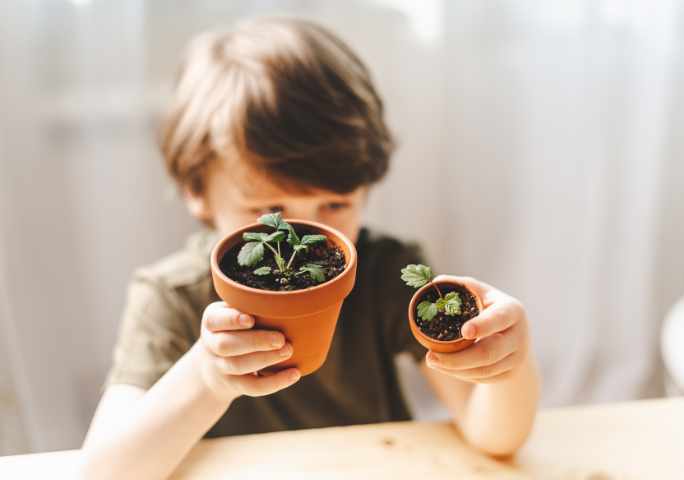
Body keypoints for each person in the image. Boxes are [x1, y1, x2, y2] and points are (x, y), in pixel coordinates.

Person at [80, 17, 539, 479]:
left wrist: (506, 364)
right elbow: (104, 472)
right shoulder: (172, 297)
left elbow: (494, 437)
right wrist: (206, 376)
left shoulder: (385, 273)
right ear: (196, 190)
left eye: (336, 203)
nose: (307, 237)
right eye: (268, 208)